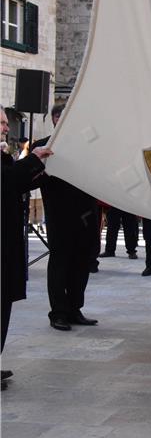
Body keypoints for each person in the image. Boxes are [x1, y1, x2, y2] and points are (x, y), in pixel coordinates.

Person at [31, 105, 101, 331]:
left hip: (86, 214)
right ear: (53, 120)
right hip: (59, 215)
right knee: (60, 263)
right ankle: (58, 313)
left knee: (82, 263)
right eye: (58, 118)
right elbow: (33, 178)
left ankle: (74, 308)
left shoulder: (88, 145)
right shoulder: (42, 146)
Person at [1, 105, 52, 390]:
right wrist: (31, 160)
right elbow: (5, 181)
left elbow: (14, 185)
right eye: (2, 123)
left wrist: (40, 168)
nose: (7, 128)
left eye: (6, 123)